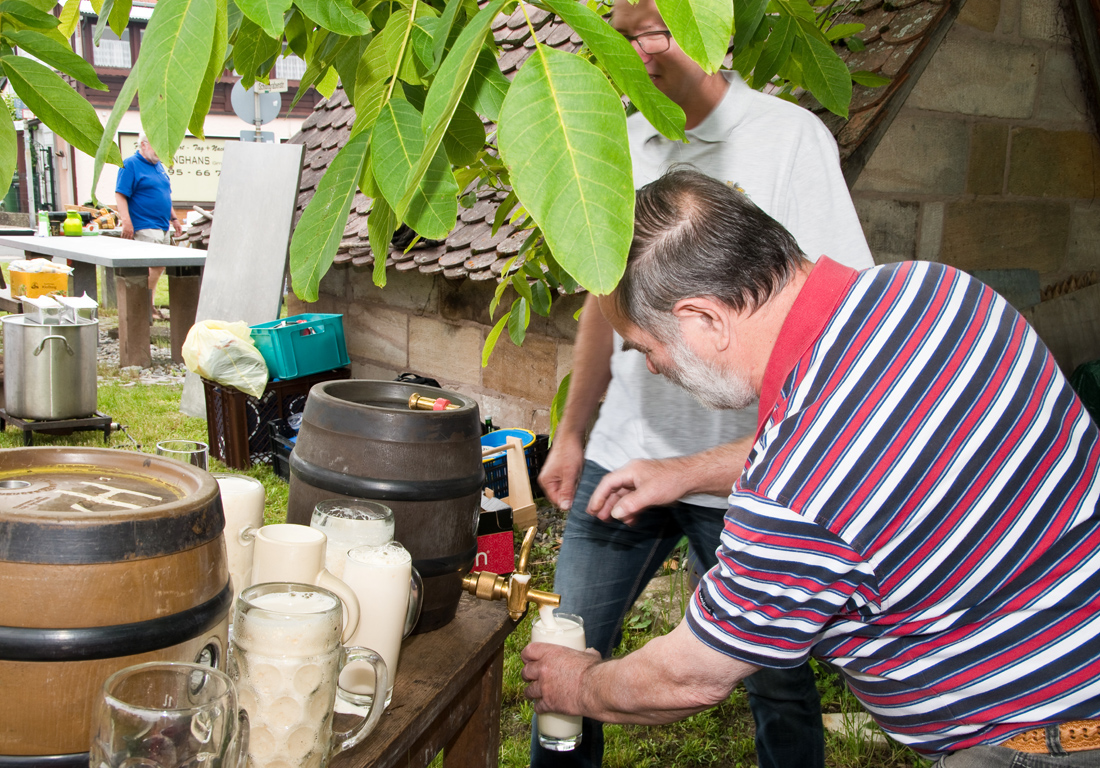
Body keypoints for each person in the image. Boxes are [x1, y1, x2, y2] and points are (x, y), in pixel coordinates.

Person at [523, 169, 1100, 767]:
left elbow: (690, 676)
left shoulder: (791, 498)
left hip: (1035, 742)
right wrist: (689, 471)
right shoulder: (939, 290)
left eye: (646, 346)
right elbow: (868, 447)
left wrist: (579, 686)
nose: (650, 366)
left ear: (705, 319)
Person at [534, 1, 873, 765]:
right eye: (622, 36)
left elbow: (839, 317)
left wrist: (710, 466)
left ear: (708, 20)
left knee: (773, 675)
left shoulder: (789, 139)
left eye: (654, 26)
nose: (641, 50)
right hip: (624, 458)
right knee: (564, 648)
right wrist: (575, 431)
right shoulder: (614, 144)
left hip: (751, 470)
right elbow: (601, 302)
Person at [115, 134, 182, 319]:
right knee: (151, 266)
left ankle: (148, 305)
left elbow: (164, 195)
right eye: (157, 147)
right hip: (144, 224)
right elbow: (120, 194)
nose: (161, 152)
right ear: (143, 145)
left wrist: (174, 218)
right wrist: (126, 220)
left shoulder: (159, 167)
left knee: (159, 266)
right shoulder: (130, 164)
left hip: (162, 224)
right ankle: (144, 307)